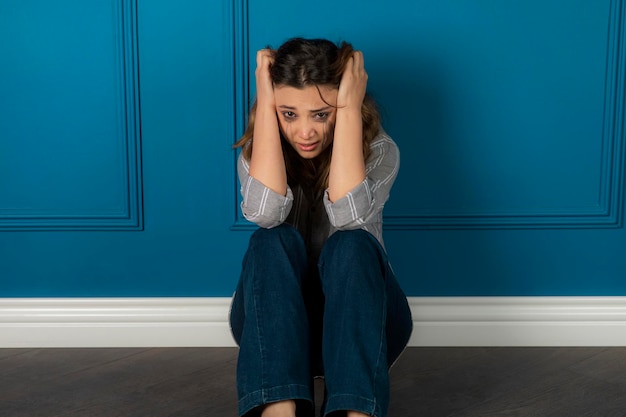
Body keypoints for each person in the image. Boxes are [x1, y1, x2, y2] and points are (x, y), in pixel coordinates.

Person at [229, 37, 413, 417]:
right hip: (274, 326)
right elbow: (264, 212)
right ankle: (278, 410)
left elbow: (349, 217)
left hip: (363, 324)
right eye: (289, 113)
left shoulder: (381, 151)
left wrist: (347, 111)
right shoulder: (258, 150)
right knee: (270, 239)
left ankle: (355, 412)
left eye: (321, 114)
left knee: (353, 244)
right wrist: (266, 103)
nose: (305, 132)